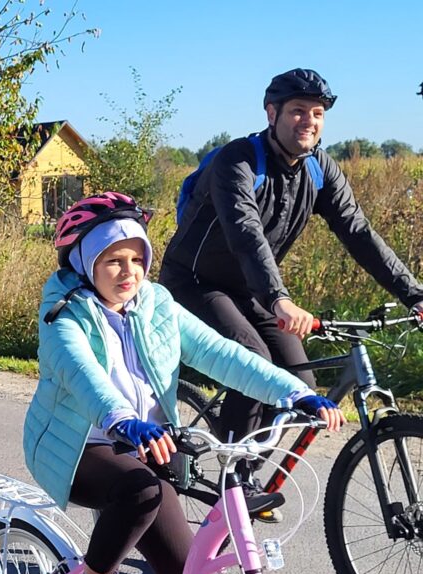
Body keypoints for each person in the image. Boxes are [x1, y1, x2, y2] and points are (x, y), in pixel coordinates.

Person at [22, 192, 344, 574]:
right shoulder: (62, 314)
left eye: (137, 258)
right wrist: (124, 419)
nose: (128, 272)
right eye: (112, 261)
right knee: (143, 493)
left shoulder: (156, 304)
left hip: (144, 442)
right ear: (83, 265)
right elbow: (82, 376)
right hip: (79, 444)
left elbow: (223, 355)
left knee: (182, 563)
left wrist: (294, 392)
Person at [159, 68, 423, 468]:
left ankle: (248, 467)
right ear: (271, 114)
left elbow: (359, 233)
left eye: (318, 114)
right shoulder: (238, 160)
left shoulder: (319, 169)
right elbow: (245, 233)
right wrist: (279, 299)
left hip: (250, 291)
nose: (309, 122)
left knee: (300, 383)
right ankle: (234, 482)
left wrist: (414, 294)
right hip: (193, 282)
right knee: (256, 362)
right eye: (298, 111)